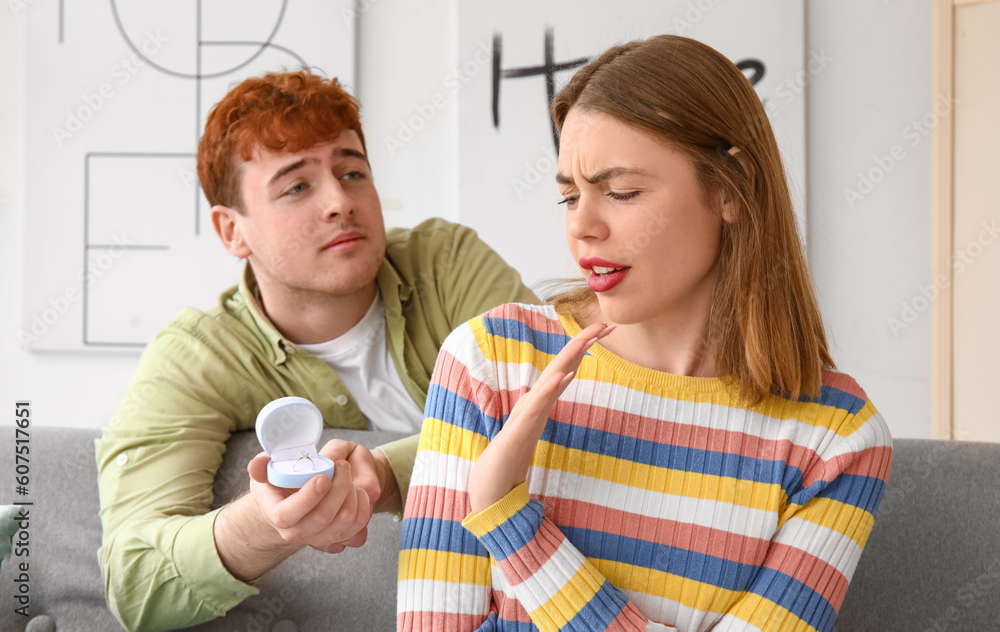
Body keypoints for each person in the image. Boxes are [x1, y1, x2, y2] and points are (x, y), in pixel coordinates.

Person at [398, 35, 893, 632]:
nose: (582, 226)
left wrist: (510, 521)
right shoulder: (491, 362)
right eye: (568, 196)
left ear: (729, 190)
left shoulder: (838, 438)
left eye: (621, 192)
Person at [95, 69, 538, 632]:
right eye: (297, 186)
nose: (339, 202)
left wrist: (383, 472)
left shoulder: (446, 262)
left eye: (353, 172)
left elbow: (568, 413)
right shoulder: (196, 358)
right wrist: (270, 521)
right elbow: (134, 582)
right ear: (232, 231)